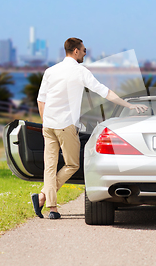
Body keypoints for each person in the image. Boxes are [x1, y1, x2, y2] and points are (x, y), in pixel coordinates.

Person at [31, 37, 148, 219]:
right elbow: (104, 91)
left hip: (49, 124)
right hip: (65, 125)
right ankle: (43, 196)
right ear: (76, 51)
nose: (86, 53)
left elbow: (41, 100)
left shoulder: (50, 71)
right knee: (72, 164)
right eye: (84, 50)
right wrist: (128, 105)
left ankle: (51, 207)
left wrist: (45, 121)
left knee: (50, 167)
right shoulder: (80, 71)